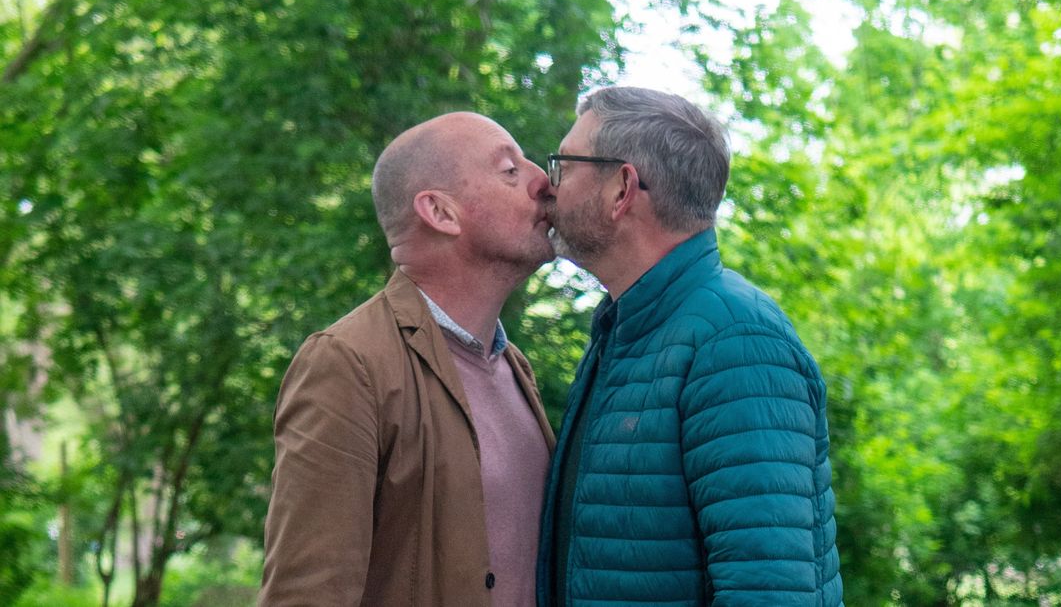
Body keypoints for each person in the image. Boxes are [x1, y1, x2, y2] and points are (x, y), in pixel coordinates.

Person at [536, 87, 844, 606]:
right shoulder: (629, 329)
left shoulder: (736, 342)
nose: (547, 185)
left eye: (564, 165)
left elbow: (771, 590)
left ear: (621, 189)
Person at [260, 112, 557, 606]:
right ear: (440, 212)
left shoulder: (512, 367)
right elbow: (307, 593)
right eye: (509, 170)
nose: (542, 181)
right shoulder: (348, 364)